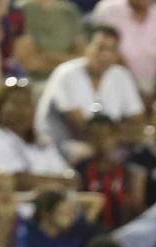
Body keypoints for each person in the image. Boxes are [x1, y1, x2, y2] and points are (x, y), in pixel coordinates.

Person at [34, 24, 146, 152]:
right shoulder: (66, 73)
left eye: (112, 49)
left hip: (106, 144)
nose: (105, 55)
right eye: (100, 48)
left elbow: (137, 120)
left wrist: (116, 136)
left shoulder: (121, 75)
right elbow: (80, 125)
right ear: (86, 47)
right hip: (61, 143)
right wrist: (114, 135)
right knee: (87, 152)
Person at [0, 76, 74, 191]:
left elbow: (72, 179)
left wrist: (56, 182)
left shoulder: (41, 140)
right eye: (16, 102)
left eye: (28, 103)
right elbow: (14, 182)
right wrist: (60, 183)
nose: (24, 110)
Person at [91, 0, 156, 100]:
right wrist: (135, 91)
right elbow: (99, 48)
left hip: (151, 84)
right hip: (112, 77)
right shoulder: (108, 10)